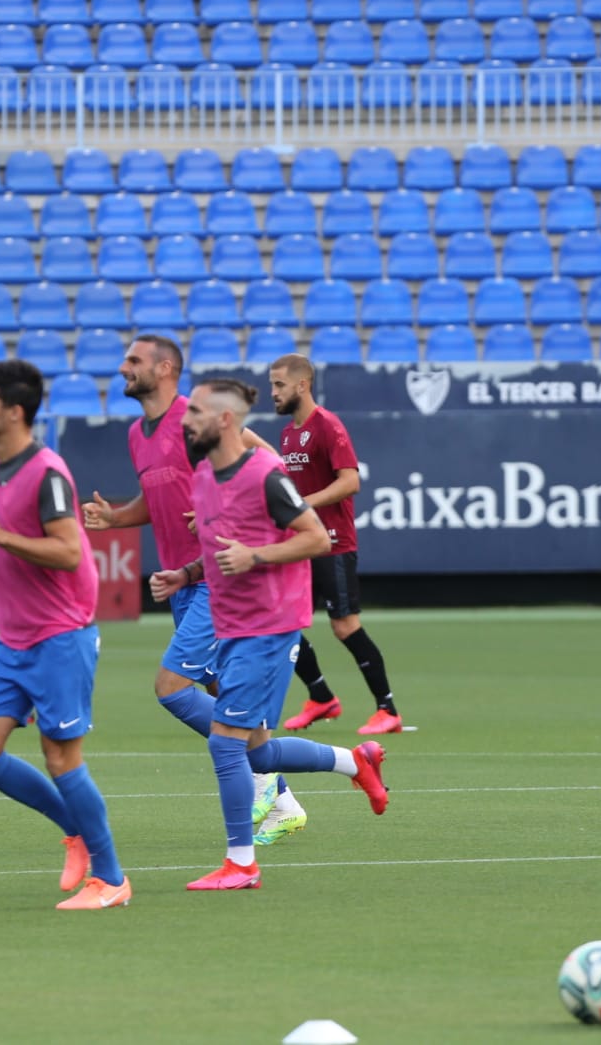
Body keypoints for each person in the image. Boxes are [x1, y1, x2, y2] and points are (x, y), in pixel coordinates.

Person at [152, 379, 388, 892]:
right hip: (232, 625)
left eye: (193, 413)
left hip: (271, 626)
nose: (183, 422)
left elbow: (313, 536)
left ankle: (242, 864)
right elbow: (222, 549)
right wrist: (186, 576)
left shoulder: (266, 475)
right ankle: (356, 761)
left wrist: (254, 557)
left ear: (224, 420)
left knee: (225, 744)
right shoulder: (206, 480)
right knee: (255, 751)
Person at [82, 337, 305, 846]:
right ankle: (282, 799)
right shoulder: (139, 434)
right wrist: (117, 518)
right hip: (183, 582)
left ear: (165, 369)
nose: (123, 367)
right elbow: (156, 495)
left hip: (220, 580)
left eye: (133, 361)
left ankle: (262, 789)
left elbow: (267, 460)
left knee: (172, 688)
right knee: (222, 695)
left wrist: (237, 508)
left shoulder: (197, 416)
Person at [0, 360, 130, 911]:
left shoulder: (46, 471)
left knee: (61, 757)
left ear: (13, 411)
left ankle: (111, 879)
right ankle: (72, 828)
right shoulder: (0, 470)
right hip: (15, 639)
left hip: (59, 636)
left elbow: (69, 550)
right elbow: (18, 545)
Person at [269, 355, 401, 736]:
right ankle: (321, 696)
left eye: (279, 385)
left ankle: (388, 709)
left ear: (302, 385)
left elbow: (350, 481)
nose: (273, 392)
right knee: (281, 621)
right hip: (301, 544)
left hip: (332, 543)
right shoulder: (288, 434)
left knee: (344, 626)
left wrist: (303, 503)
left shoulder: (326, 425)